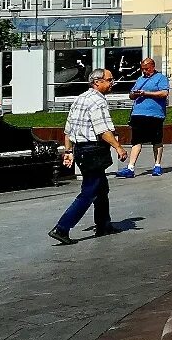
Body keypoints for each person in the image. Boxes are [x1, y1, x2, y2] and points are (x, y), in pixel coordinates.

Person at [49, 69, 127, 245]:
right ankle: (62, 227)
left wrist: (68, 151)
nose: (112, 83)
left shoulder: (81, 98)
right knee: (90, 190)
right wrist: (119, 147)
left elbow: (68, 129)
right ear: (96, 82)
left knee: (101, 188)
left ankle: (103, 224)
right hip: (93, 150)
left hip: (81, 150)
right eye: (109, 80)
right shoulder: (97, 101)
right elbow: (103, 130)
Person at [119, 57, 169, 177]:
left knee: (156, 140)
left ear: (152, 67)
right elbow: (131, 94)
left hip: (155, 114)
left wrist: (146, 93)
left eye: (146, 69)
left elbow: (164, 93)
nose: (144, 71)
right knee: (136, 140)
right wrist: (134, 94)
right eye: (142, 69)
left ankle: (157, 165)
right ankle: (130, 167)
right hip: (138, 114)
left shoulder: (161, 78)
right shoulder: (140, 79)